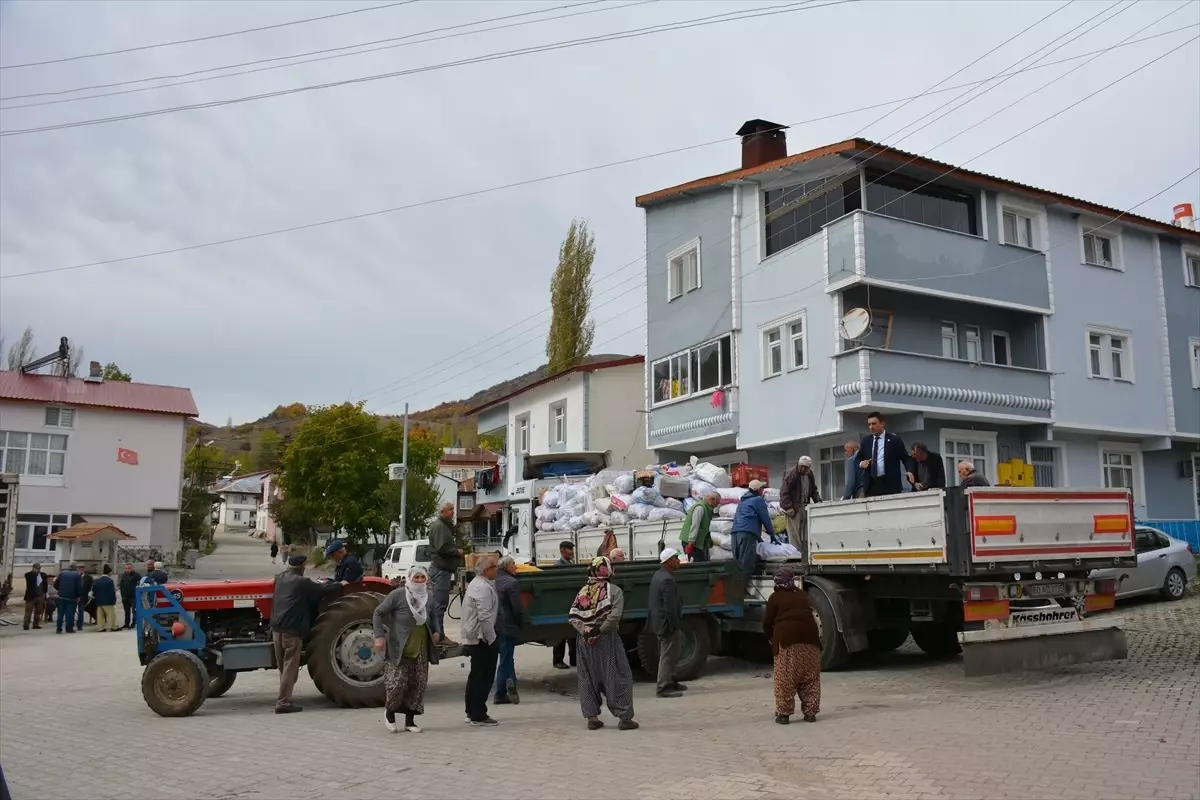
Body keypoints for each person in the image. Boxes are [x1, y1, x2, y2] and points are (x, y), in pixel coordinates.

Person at [270, 554, 345, 714]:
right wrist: (340, 584)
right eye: (304, 565)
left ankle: (285, 697)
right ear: (301, 566)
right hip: (292, 630)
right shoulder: (302, 582)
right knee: (290, 666)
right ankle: (283, 702)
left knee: (283, 666)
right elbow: (322, 590)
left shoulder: (280, 578)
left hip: (276, 628)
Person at [569, 556, 638, 731]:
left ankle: (592, 719)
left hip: (584, 642)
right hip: (607, 639)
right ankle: (624, 718)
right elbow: (614, 617)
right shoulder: (614, 591)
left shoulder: (583, 591)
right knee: (618, 675)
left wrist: (586, 631)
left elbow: (574, 617)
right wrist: (598, 631)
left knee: (587, 678)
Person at [372, 565, 439, 733]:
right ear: (410, 578)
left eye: (422, 577)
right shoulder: (399, 595)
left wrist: (437, 631)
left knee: (417, 684)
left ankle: (410, 721)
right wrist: (379, 636)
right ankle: (390, 713)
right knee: (396, 684)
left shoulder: (429, 596)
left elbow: (433, 615)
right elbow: (378, 612)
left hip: (420, 647)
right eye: (416, 577)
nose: (419, 580)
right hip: (400, 647)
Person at [763, 567, 822, 725]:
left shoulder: (775, 597)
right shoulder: (802, 594)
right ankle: (810, 713)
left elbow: (767, 623)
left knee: (785, 678)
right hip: (811, 641)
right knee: (810, 678)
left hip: (787, 642)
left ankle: (784, 714)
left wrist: (770, 638)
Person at [460, 555, 500, 726]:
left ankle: (472, 711)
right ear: (486, 570)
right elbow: (484, 616)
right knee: (483, 676)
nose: (497, 570)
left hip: (477, 636)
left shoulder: (480, 584)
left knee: (476, 675)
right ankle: (478, 713)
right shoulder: (481, 587)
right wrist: (492, 639)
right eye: (495, 567)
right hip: (481, 638)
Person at [650, 548, 684, 699]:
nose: (679, 561)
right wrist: (674, 625)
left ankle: (671, 681)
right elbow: (669, 607)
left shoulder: (659, 575)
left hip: (660, 622)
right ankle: (663, 687)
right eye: (676, 558)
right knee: (668, 655)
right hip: (666, 624)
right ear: (669, 561)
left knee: (673, 654)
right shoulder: (666, 579)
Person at [426, 503, 463, 642]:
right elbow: (442, 549)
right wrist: (457, 552)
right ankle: (439, 637)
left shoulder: (443, 526)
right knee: (439, 605)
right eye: (450, 509)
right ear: (443, 511)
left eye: (453, 509)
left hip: (442, 569)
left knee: (439, 604)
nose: (453, 512)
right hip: (440, 569)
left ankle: (438, 634)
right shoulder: (440, 526)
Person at [858, 411, 915, 497]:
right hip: (871, 485)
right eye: (869, 424)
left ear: (882, 423)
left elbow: (906, 458)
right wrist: (861, 463)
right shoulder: (866, 441)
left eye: (874, 424)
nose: (871, 427)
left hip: (890, 484)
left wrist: (910, 471)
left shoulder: (894, 440)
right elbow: (858, 458)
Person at [492, 555, 523, 706]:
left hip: (494, 625)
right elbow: (517, 608)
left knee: (506, 657)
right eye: (513, 564)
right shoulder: (512, 583)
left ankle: (511, 680)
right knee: (505, 659)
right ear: (506, 567)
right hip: (508, 625)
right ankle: (500, 693)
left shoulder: (492, 581)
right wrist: (521, 622)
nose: (515, 566)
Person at [731, 480, 774, 579]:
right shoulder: (758, 500)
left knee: (737, 564)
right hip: (747, 533)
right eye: (762, 488)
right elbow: (765, 518)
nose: (763, 490)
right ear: (758, 490)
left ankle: (735, 585)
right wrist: (771, 533)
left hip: (735, 533)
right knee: (746, 563)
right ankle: (743, 586)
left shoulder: (742, 502)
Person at [780, 456, 821, 551]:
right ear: (798, 464)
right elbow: (784, 492)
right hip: (794, 506)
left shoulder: (809, 474)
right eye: (801, 466)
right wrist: (788, 507)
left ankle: (805, 552)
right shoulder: (791, 474)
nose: (802, 469)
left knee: (806, 532)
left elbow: (813, 490)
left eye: (805, 467)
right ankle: (796, 553)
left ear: (809, 467)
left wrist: (818, 501)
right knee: (794, 533)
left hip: (805, 505)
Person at [551, 540, 578, 669]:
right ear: (562, 550)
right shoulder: (558, 565)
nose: (572, 552)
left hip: (570, 603)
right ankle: (557, 660)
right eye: (569, 549)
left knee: (573, 633)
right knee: (561, 634)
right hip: (561, 603)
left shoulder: (569, 563)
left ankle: (574, 659)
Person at [679, 493, 718, 562]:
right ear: (712, 499)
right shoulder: (700, 508)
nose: (717, 505)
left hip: (695, 543)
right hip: (690, 542)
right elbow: (695, 525)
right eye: (717, 502)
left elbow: (705, 527)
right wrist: (691, 543)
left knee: (700, 562)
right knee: (697, 564)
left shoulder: (708, 509)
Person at [53, 563, 82, 634]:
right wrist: (78, 596)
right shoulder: (77, 575)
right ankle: (69, 629)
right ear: (76, 568)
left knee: (60, 614)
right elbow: (78, 587)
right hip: (71, 598)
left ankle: (59, 629)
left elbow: (55, 584)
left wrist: (60, 590)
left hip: (61, 597)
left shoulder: (62, 574)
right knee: (70, 614)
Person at [92, 565, 119, 632]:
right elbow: (112, 592)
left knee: (100, 615)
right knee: (111, 615)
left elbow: (94, 590)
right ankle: (113, 626)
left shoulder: (97, 581)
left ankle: (101, 627)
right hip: (108, 601)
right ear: (109, 572)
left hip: (99, 601)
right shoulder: (110, 581)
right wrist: (114, 600)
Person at [21, 562, 47, 630]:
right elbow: (30, 580)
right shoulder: (28, 575)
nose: (38, 570)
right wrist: (35, 574)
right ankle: (26, 625)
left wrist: (44, 593)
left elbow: (45, 584)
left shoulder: (43, 575)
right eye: (36, 568)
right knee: (28, 611)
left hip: (40, 595)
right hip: (31, 596)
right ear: (33, 568)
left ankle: (36, 624)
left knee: (38, 611)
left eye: (39, 568)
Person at [118, 563, 140, 630]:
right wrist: (122, 595)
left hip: (133, 596)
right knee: (126, 611)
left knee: (134, 611)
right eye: (126, 568)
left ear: (132, 568)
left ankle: (133, 623)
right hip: (125, 596)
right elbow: (121, 586)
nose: (127, 570)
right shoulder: (123, 575)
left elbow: (140, 585)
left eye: (129, 568)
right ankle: (126, 624)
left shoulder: (136, 575)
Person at [77, 564, 94, 629]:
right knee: (72, 610)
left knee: (81, 611)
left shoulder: (88, 577)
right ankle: (71, 624)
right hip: (74, 596)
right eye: (79, 568)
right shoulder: (75, 576)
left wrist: (89, 594)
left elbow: (91, 587)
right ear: (77, 569)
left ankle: (79, 625)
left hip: (83, 596)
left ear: (84, 569)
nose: (81, 570)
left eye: (82, 568)